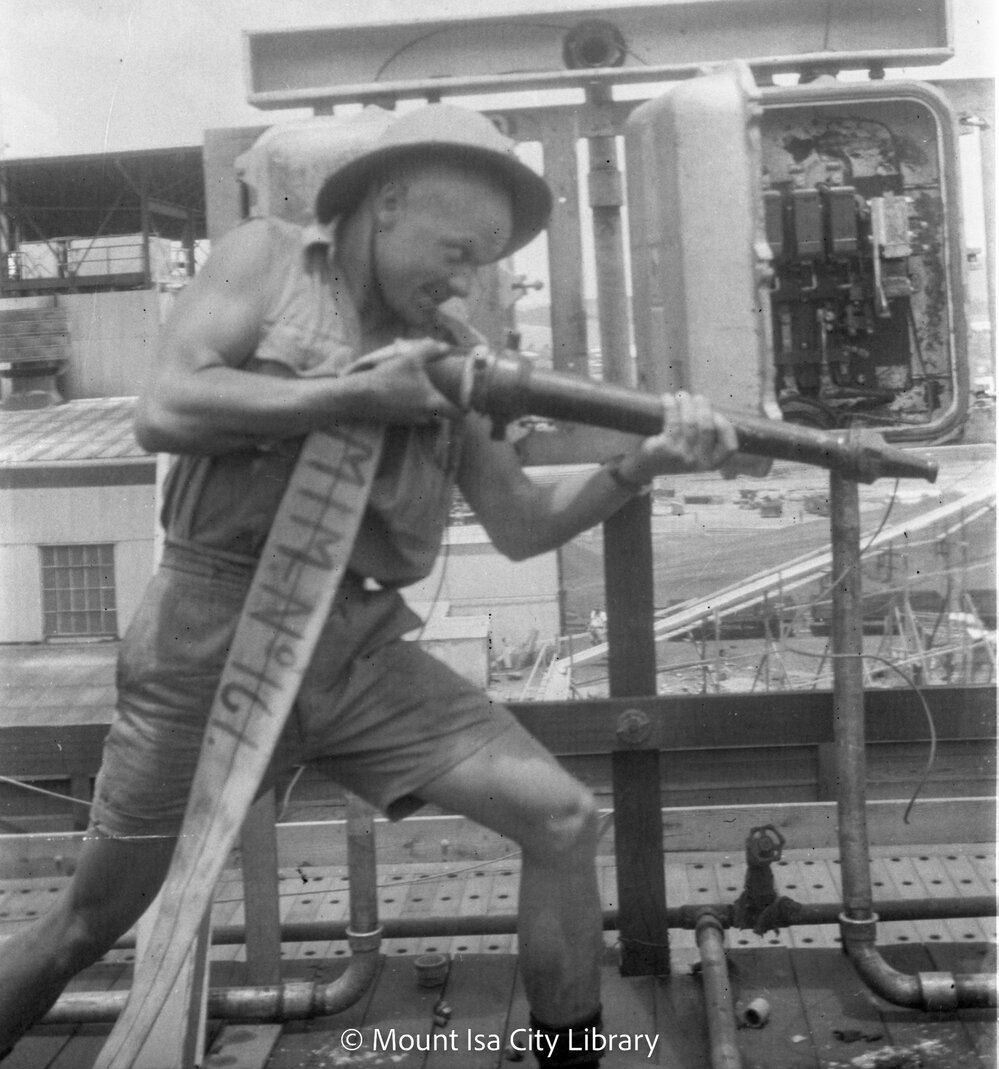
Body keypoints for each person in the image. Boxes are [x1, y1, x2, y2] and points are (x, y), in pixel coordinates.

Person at [0, 104, 737, 1066]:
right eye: (458, 247)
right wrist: (352, 394)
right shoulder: (264, 258)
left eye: (484, 262)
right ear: (385, 202)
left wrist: (643, 464)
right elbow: (166, 406)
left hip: (354, 650)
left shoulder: (452, 351)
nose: (465, 277)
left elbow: (517, 523)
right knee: (89, 921)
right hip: (211, 635)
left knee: (561, 819)